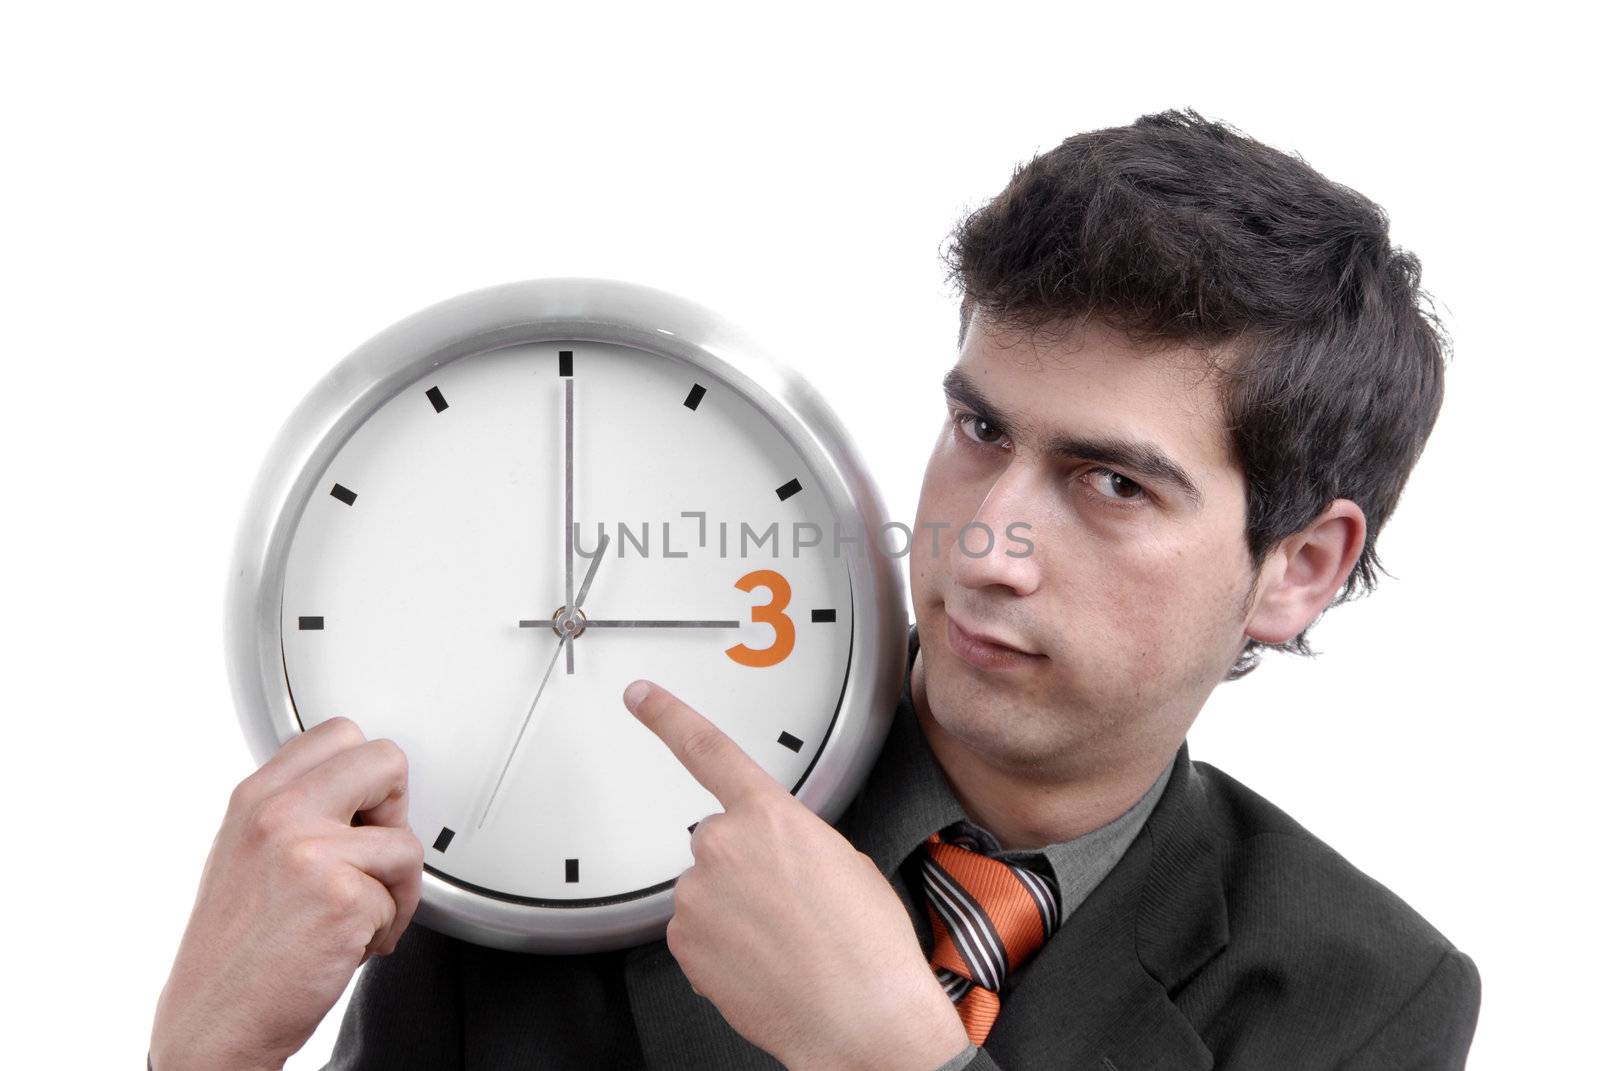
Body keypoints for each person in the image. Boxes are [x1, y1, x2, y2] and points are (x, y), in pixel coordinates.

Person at [149, 109, 1480, 1069]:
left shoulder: (1366, 1000)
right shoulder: (554, 833)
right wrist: (201, 1060)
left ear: (1297, 569)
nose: (988, 541)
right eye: (981, 433)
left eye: (1111, 484)